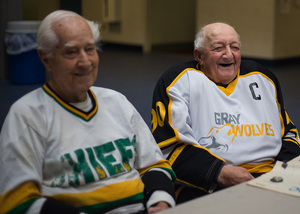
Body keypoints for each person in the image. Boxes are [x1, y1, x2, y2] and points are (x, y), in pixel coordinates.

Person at [0, 10, 176, 214]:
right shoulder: (27, 115)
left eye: (90, 49)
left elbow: (154, 166)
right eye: (71, 52)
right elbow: (19, 201)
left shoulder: (116, 102)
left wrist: (161, 202)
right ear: (45, 58)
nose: (85, 62)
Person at [151, 22, 300, 204]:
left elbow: (289, 133)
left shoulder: (263, 77)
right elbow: (169, 148)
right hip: (211, 184)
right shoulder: (178, 81)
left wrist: (283, 171)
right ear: (199, 55)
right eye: (218, 47)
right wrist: (219, 173)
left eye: (234, 47)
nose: (228, 54)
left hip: (272, 177)